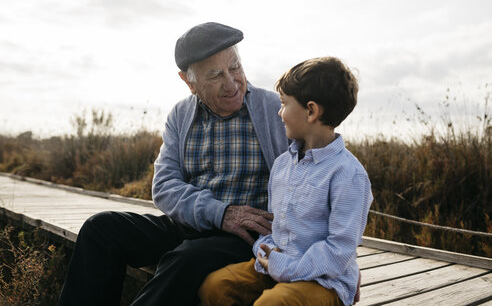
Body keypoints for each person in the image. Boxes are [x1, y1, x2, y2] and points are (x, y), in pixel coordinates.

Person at [58, 22, 289, 306]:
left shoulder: (275, 109)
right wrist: (220, 212)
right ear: (188, 81)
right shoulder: (180, 114)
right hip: (188, 225)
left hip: (244, 236)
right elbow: (165, 186)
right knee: (100, 228)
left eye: (235, 67)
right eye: (216, 75)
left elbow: (314, 171)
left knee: (185, 259)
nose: (231, 83)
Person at [198, 56, 373, 306]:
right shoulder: (282, 165)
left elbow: (339, 251)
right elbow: (275, 227)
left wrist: (284, 267)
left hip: (324, 282)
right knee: (216, 287)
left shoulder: (348, 174)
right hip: (274, 266)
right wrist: (264, 250)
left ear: (311, 111)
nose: (279, 113)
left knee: (273, 304)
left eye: (284, 104)